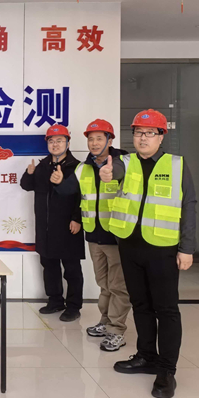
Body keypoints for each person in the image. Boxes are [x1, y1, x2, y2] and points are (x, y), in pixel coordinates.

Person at [101, 109, 197, 398]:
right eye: (138, 133)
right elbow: (114, 172)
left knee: (166, 310)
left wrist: (187, 248)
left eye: (150, 133)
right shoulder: (125, 162)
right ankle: (146, 356)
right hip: (130, 246)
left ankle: (166, 371)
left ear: (161, 136)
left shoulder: (177, 165)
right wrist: (107, 173)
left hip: (163, 248)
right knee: (140, 304)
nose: (143, 138)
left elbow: (189, 205)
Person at [54, 119, 130, 352]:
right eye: (90, 139)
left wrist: (110, 172)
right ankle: (105, 322)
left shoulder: (124, 162)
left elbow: (123, 178)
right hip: (94, 236)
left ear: (110, 139)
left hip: (116, 236)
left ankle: (117, 330)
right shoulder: (84, 167)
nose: (94, 143)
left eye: (99, 138)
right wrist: (58, 183)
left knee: (118, 286)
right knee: (103, 284)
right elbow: (68, 191)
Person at [20, 124, 85, 322]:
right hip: (45, 226)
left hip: (68, 225)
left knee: (71, 268)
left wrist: (77, 218)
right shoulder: (42, 166)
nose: (55, 144)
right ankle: (55, 300)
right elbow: (26, 186)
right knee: (49, 265)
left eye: (59, 140)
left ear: (68, 143)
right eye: (51, 141)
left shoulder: (77, 167)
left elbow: (83, 196)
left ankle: (73, 306)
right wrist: (29, 173)